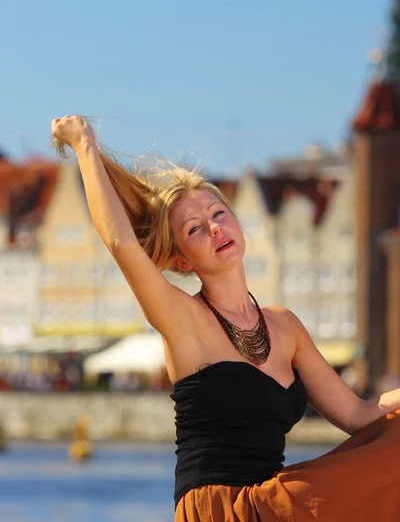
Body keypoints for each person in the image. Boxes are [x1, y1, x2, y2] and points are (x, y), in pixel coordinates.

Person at [51, 115, 400, 522]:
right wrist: (84, 143)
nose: (215, 228)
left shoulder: (284, 326)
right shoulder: (182, 318)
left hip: (272, 503)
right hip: (219, 510)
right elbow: (121, 242)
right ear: (181, 259)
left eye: (218, 214)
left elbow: (357, 415)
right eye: (195, 229)